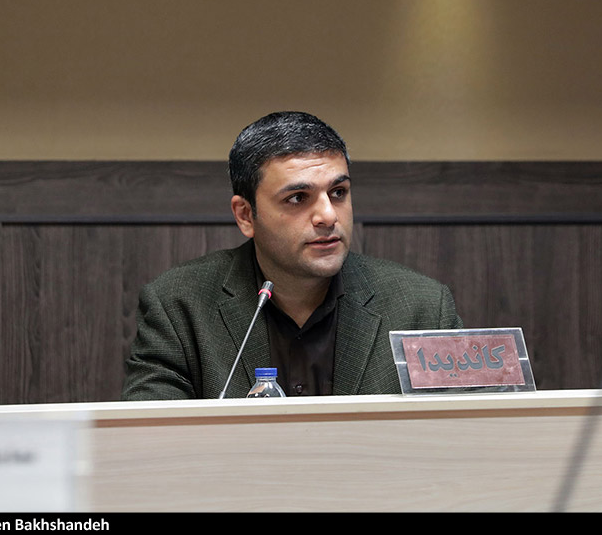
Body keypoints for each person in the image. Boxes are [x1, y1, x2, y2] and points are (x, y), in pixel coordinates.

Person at [122, 111, 462, 399]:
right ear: (245, 215)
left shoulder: (422, 308)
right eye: (298, 198)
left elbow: (464, 436)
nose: (328, 216)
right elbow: (150, 437)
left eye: (338, 192)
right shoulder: (178, 306)